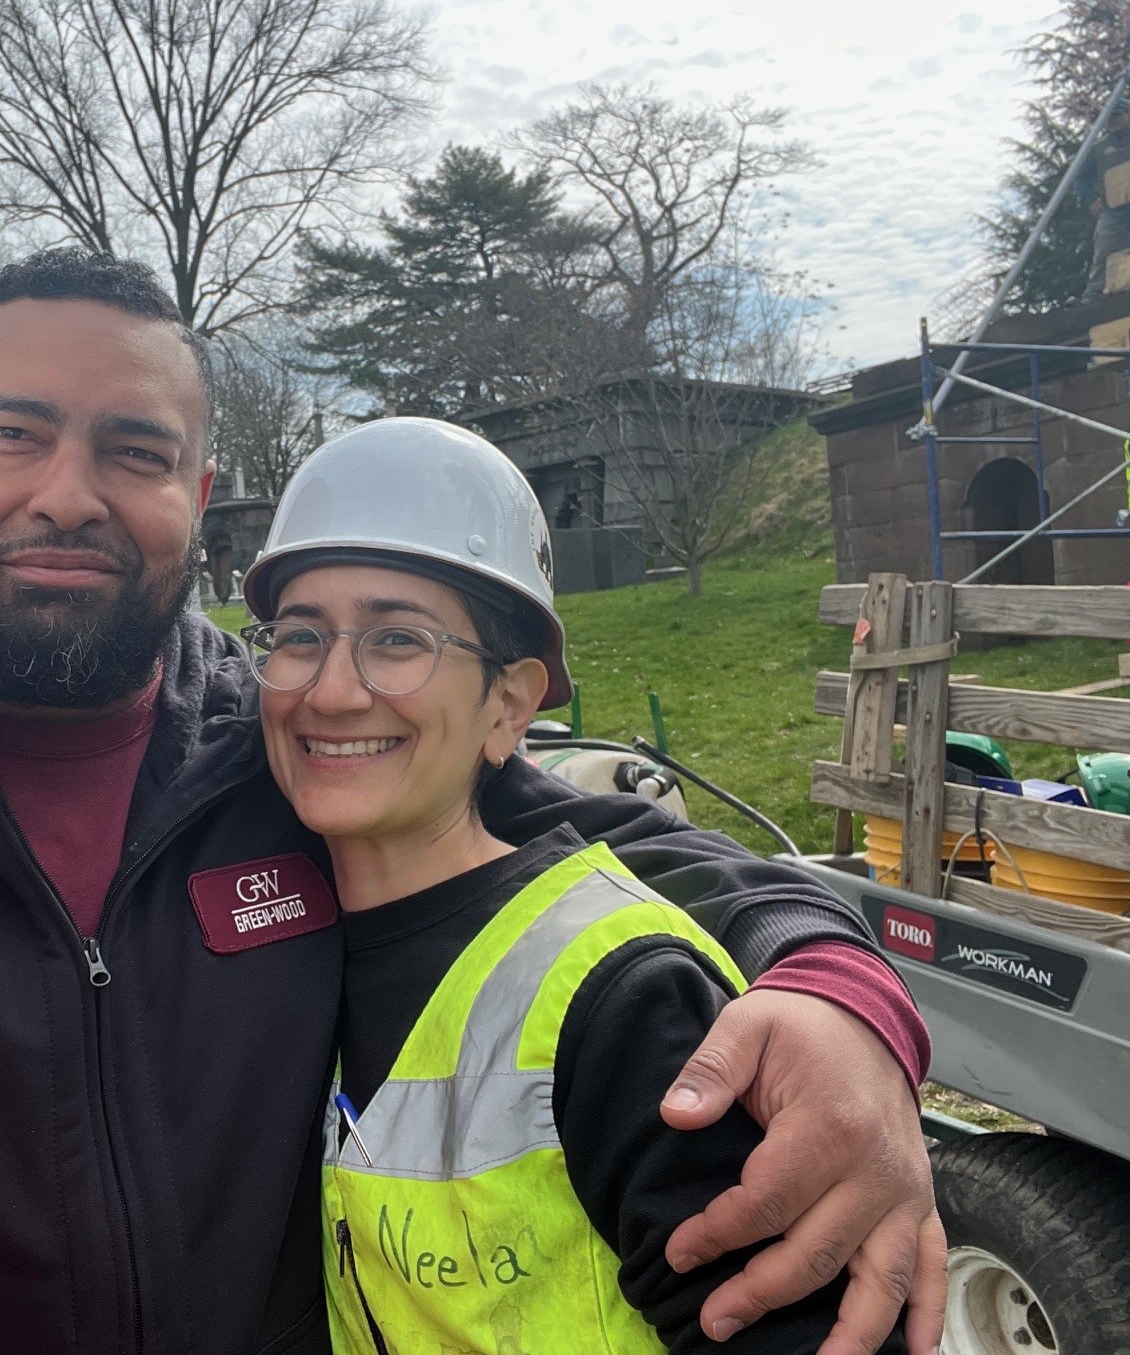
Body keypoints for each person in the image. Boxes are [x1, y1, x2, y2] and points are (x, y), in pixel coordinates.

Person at [0, 249, 945, 1355]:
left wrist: (841, 1001)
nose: (71, 495)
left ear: (197, 498)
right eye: (16, 435)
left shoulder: (293, 748)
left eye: (134, 451)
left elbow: (628, 852)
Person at [241, 417, 907, 1354]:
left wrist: (845, 986)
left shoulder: (623, 995)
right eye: (301, 636)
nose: (332, 690)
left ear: (508, 706)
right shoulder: (292, 950)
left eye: (397, 639)